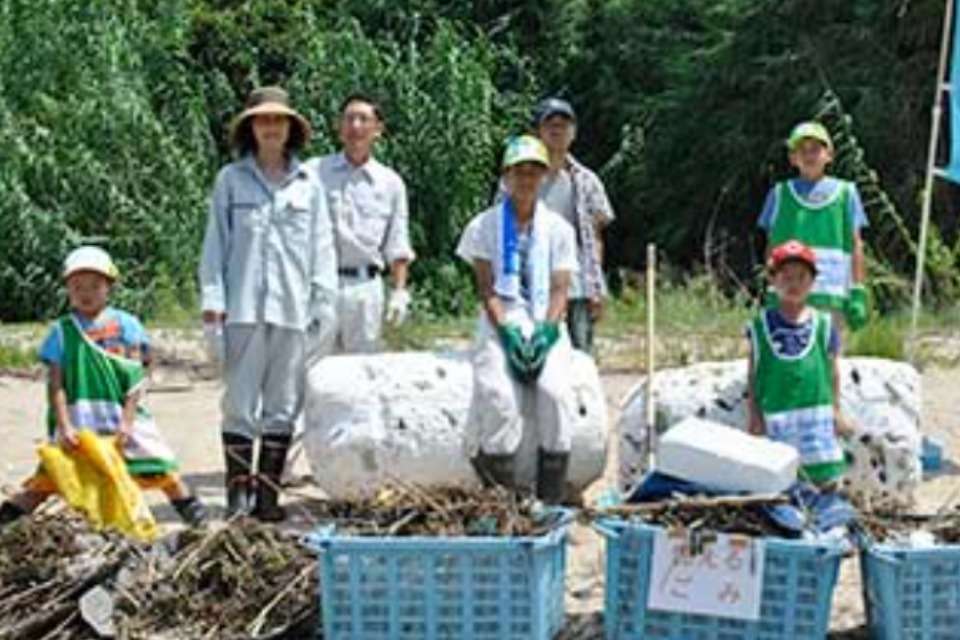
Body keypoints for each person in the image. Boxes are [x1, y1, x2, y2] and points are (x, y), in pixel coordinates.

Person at [199, 87, 337, 522]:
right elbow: (215, 247)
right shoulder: (231, 180)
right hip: (242, 309)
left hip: (293, 310)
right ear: (251, 128)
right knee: (240, 403)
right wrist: (212, 304)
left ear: (291, 129)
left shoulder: (308, 185)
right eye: (263, 121)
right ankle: (238, 498)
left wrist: (323, 303)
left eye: (278, 121)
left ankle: (268, 497)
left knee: (283, 403)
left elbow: (322, 248)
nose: (271, 128)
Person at [0, 246, 207, 528]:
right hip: (79, 420)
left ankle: (196, 518)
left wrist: (127, 421)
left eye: (94, 286)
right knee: (49, 479)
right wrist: (64, 425)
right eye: (77, 286)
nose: (86, 293)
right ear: (68, 289)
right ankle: (8, 519)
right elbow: (56, 384)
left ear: (109, 287)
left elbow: (135, 379)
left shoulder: (126, 326)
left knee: (160, 465)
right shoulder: (62, 332)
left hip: (120, 415)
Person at [456, 135, 579, 504]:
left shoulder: (559, 229)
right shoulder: (483, 226)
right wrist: (507, 332)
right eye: (518, 172)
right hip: (502, 319)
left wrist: (546, 333)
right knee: (498, 397)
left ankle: (551, 501)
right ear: (506, 177)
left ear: (543, 178)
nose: (526, 180)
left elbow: (560, 289)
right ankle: (503, 501)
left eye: (533, 172)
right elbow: (487, 288)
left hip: (545, 320)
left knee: (555, 394)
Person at [495, 98, 614, 352]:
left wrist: (596, 286)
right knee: (532, 352)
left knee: (580, 354)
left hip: (575, 284)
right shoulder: (515, 178)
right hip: (528, 281)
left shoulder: (586, 180)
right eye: (550, 125)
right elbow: (501, 228)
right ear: (538, 132)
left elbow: (595, 237)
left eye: (564, 125)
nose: (557, 131)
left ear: (573, 132)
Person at [308, 93, 414, 355]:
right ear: (339, 127)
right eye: (349, 119)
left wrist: (399, 292)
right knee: (312, 369)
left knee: (360, 374)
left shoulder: (390, 183)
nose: (355, 126)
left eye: (364, 119)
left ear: (377, 129)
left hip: (366, 290)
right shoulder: (313, 173)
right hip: (320, 285)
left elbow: (397, 243)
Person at [746, 240, 847, 485]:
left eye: (801, 277)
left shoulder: (823, 325)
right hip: (777, 427)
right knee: (781, 483)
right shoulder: (760, 327)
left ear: (812, 282)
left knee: (824, 484)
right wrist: (755, 415)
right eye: (786, 277)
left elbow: (833, 371)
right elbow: (753, 374)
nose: (794, 284)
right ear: (773, 281)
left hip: (817, 432)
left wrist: (836, 410)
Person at [758, 121, 869, 330]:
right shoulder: (780, 194)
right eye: (802, 150)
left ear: (829, 155)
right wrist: (771, 286)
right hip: (789, 295)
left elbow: (856, 245)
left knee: (829, 357)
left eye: (816, 149)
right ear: (792, 158)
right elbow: (771, 244)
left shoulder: (846, 194)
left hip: (832, 296)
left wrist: (858, 290)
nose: (809, 156)